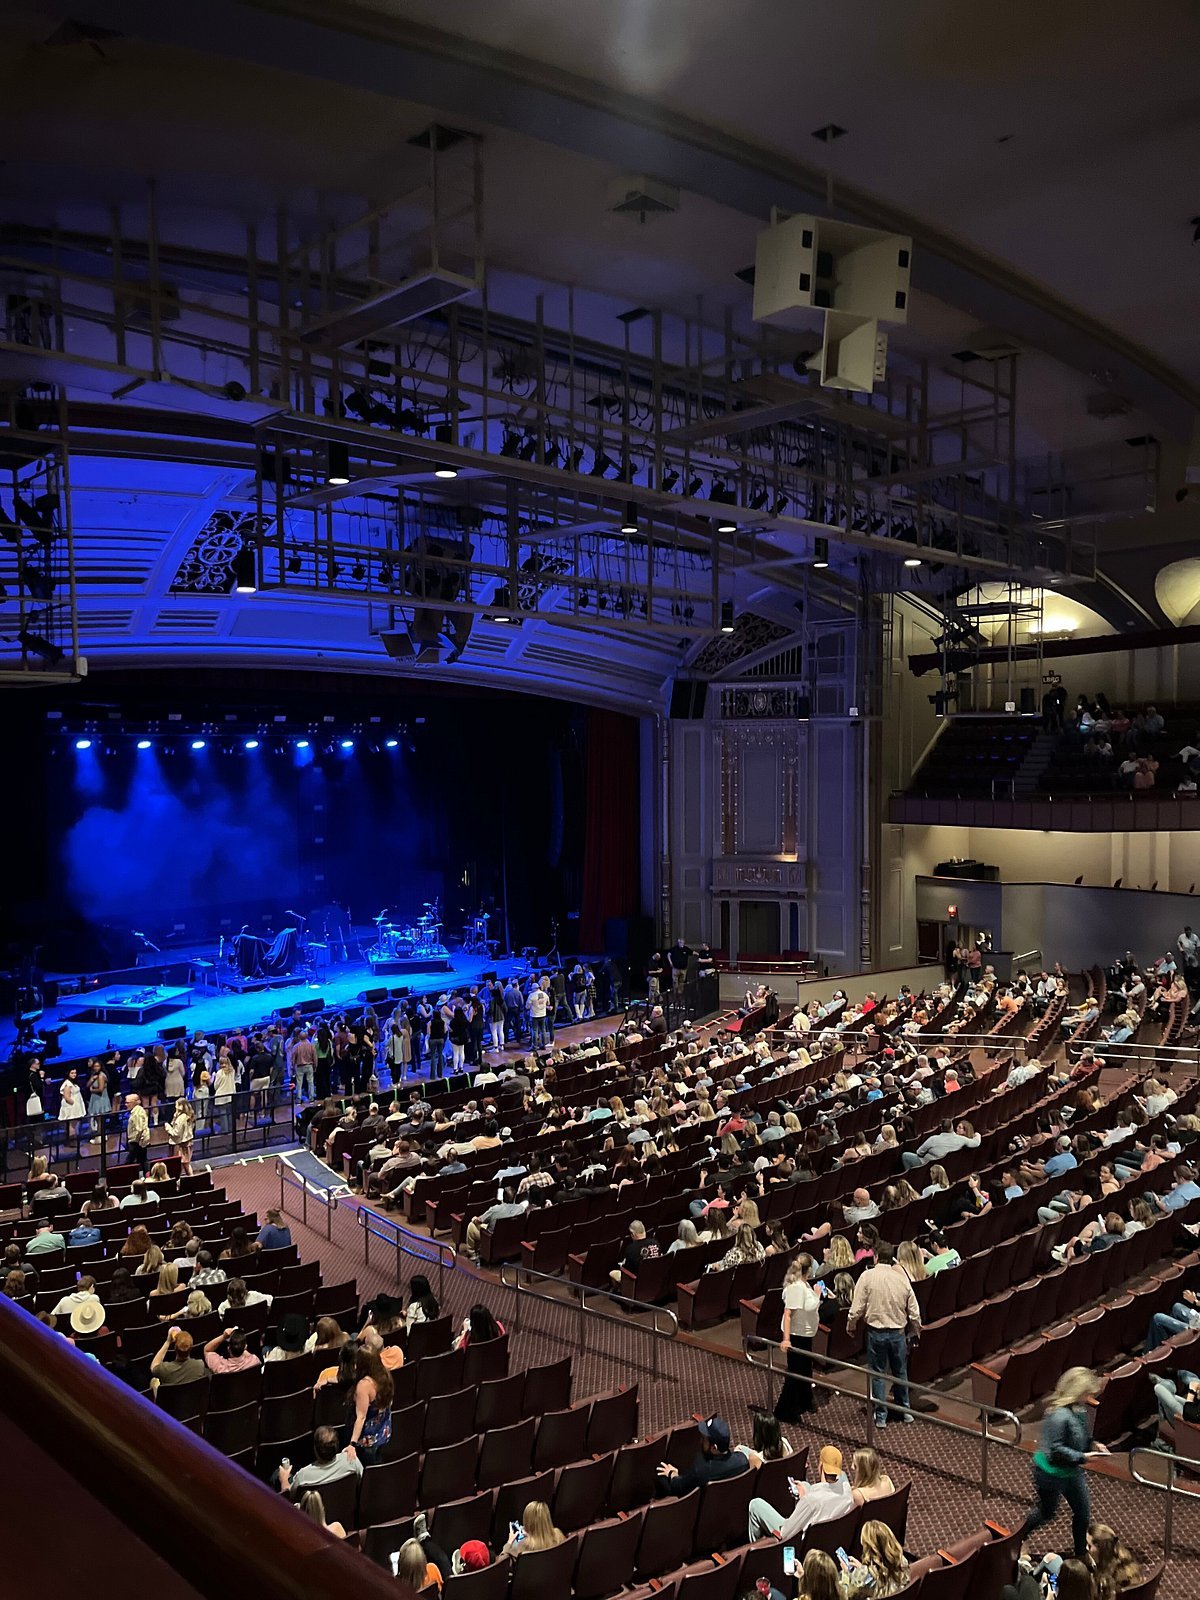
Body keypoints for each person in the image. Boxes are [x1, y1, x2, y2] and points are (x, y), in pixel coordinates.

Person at [1019, 1367, 1108, 1558]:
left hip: (1071, 1472)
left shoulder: (1079, 1409)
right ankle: (1018, 1538)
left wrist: (1093, 1443)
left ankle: (1080, 1553)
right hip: (1050, 1473)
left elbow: (1081, 1436)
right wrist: (1083, 1457)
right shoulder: (1058, 1415)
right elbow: (1055, 1450)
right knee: (1047, 1512)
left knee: (1083, 1514)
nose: (1089, 1397)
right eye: (1087, 1393)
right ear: (1077, 1391)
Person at [846, 1241, 919, 1428]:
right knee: (900, 1372)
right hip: (898, 1333)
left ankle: (881, 1416)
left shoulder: (867, 1276)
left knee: (877, 1374)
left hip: (876, 1333)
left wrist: (851, 1325)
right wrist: (915, 1330)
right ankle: (906, 1411)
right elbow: (914, 1311)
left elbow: (857, 1308)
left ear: (876, 1257)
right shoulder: (901, 1278)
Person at [747, 1443, 853, 1541]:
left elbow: (785, 1533)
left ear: (820, 1466)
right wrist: (806, 1494)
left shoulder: (810, 1501)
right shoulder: (846, 1488)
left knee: (755, 1504)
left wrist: (803, 1501)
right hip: (828, 1533)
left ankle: (757, 1549)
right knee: (805, 1485)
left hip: (799, 1540)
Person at [774, 1253, 819, 1422]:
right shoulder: (796, 1288)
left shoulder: (804, 1284)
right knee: (795, 1373)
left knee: (805, 1369)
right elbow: (788, 1315)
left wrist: (817, 1293)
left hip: (805, 1335)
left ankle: (804, 1400)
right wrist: (786, 1339)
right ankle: (784, 1410)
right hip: (796, 1336)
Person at [657, 1414, 747, 1496]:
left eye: (704, 1439)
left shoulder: (700, 1469)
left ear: (714, 1448)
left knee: (660, 1474)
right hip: (727, 1501)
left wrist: (672, 1473)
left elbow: (679, 1487)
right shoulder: (742, 1461)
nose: (701, 1441)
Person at [280, 1426, 363, 1495]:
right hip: (344, 1510)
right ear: (337, 1445)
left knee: (277, 1474)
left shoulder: (303, 1475)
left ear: (315, 1450)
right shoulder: (351, 1460)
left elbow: (289, 1498)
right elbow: (362, 1484)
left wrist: (284, 1480)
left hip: (314, 1514)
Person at [346, 1347, 393, 1463]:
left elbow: (361, 1417)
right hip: (384, 1431)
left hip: (368, 1441)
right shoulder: (385, 1375)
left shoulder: (364, 1386)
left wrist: (352, 1444)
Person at [843, 1520, 909, 1596]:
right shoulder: (902, 1562)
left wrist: (847, 1574)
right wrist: (861, 1569)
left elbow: (845, 1595)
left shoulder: (863, 1580)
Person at [124, 1092, 151, 1176]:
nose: (126, 1104)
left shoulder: (137, 1114)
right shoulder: (138, 1110)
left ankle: (125, 1177)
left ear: (134, 1102)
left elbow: (139, 1129)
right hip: (139, 1141)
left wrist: (134, 1140)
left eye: (128, 1103)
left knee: (129, 1162)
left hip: (136, 1141)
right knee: (143, 1160)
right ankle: (146, 1176)